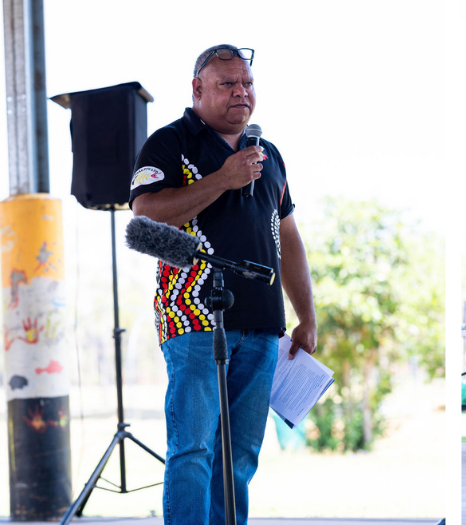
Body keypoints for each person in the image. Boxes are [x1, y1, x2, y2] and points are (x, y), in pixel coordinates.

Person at [129, 44, 318, 525]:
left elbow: (288, 237)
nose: (241, 92)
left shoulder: (268, 154)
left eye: (247, 83)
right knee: (193, 449)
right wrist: (222, 179)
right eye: (227, 84)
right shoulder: (169, 143)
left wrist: (306, 317)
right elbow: (146, 213)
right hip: (193, 320)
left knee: (238, 456)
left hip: (262, 327)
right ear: (197, 89)